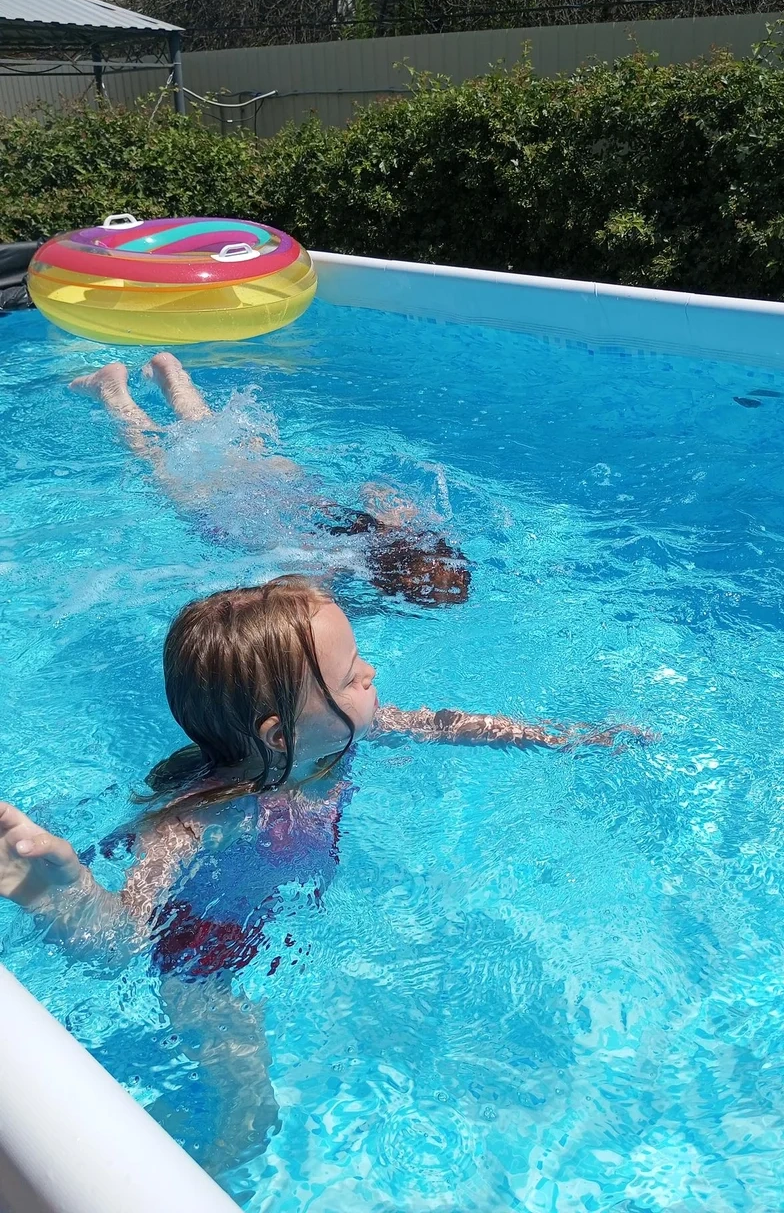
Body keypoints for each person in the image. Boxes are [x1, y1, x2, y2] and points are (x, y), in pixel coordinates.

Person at [0, 576, 652, 1173]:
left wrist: (567, 738)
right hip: (202, 959)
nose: (370, 673)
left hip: (261, 918)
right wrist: (75, 900)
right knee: (251, 1122)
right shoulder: (198, 820)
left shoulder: (330, 742)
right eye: (348, 676)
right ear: (279, 734)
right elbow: (127, 942)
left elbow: (443, 726)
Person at [70, 353, 471, 607]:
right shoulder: (328, 568)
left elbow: (373, 490)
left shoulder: (394, 524)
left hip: (283, 482)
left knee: (212, 432)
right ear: (384, 586)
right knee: (152, 453)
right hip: (222, 508)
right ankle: (111, 390)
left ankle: (169, 372)